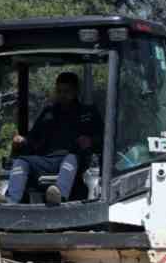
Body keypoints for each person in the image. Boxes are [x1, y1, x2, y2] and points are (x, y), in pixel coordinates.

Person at [6, 72, 102, 204]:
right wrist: (22, 141)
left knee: (71, 157)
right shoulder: (48, 112)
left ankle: (58, 196)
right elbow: (33, 138)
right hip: (46, 160)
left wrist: (91, 141)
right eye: (59, 91)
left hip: (74, 161)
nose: (62, 95)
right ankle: (10, 201)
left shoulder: (88, 113)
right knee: (21, 161)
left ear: (75, 91)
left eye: (67, 91)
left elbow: (104, 139)